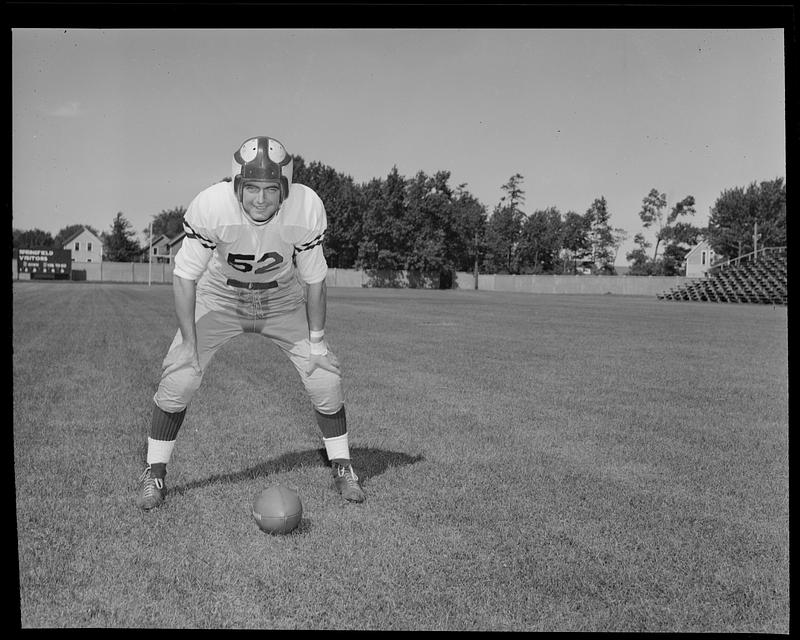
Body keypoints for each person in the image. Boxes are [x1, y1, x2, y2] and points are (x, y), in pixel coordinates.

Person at [136, 135, 365, 510]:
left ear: (285, 190)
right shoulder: (213, 207)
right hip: (221, 298)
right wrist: (190, 345)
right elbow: (184, 277)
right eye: (252, 188)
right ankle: (154, 473)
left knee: (324, 375)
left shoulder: (305, 209)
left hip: (280, 300)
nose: (261, 198)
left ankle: (342, 467)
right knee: (181, 375)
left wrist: (318, 344)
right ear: (237, 186)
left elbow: (314, 280)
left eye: (271, 189)